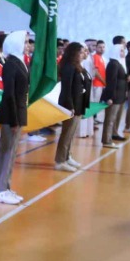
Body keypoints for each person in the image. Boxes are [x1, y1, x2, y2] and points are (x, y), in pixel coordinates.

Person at [0, 32, 27, 204]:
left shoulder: (19, 62)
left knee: (11, 153)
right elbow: (9, 94)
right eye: (25, 42)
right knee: (6, 152)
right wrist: (14, 120)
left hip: (18, 113)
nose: (28, 45)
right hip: (10, 115)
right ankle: (0, 191)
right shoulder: (11, 65)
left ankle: (5, 186)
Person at [55, 41, 88, 171]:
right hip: (70, 104)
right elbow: (66, 88)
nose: (83, 54)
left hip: (78, 103)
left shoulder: (78, 66)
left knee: (71, 134)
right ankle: (60, 160)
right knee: (66, 133)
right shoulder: (68, 67)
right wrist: (70, 106)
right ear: (74, 53)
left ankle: (67, 156)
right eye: (81, 52)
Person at [100, 41, 129, 148]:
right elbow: (111, 82)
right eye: (121, 51)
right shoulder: (113, 64)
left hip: (120, 96)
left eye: (123, 50)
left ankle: (112, 135)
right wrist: (110, 97)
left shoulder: (119, 63)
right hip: (114, 96)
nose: (123, 52)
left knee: (114, 119)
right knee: (110, 119)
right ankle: (106, 141)